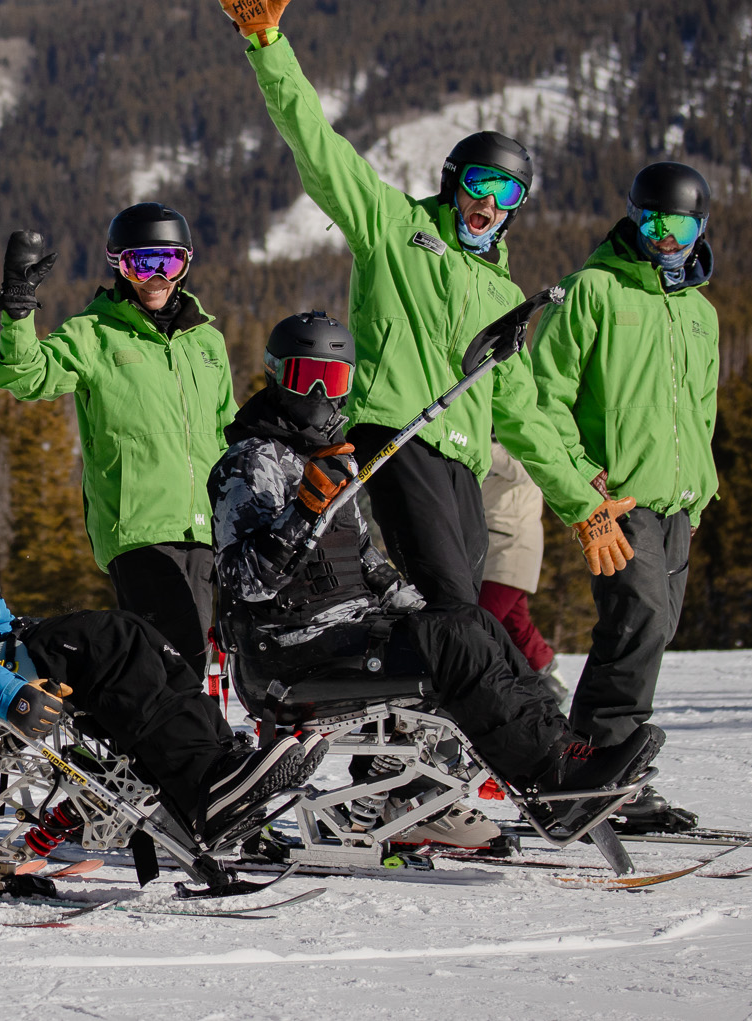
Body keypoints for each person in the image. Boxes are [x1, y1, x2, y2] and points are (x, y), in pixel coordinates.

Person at [211, 0, 633, 611]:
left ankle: (425, 711)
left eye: (506, 191)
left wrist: (582, 503)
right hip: (397, 435)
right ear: (453, 183)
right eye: (478, 184)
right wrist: (268, 45)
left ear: (516, 206)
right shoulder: (393, 226)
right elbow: (318, 146)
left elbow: (522, 412)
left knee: (456, 604)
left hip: (464, 462)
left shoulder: (502, 296)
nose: (487, 202)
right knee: (451, 602)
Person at [0, 341, 319, 849]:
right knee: (111, 641)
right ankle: (203, 788)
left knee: (145, 640)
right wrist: (7, 692)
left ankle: (221, 770)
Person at [208, 312, 665, 843]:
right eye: (304, 375)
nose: (317, 393)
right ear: (276, 375)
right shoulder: (247, 463)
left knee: (472, 623)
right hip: (286, 653)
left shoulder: (331, 460)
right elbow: (245, 584)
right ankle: (550, 777)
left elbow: (366, 562)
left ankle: (560, 754)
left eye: (332, 380)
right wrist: (304, 512)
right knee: (455, 640)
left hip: (346, 635)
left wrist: (423, 612)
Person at [531, 163, 719, 833]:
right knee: (636, 622)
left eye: (681, 226)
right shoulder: (593, 292)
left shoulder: (700, 313)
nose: (666, 238)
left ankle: (593, 765)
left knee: (654, 628)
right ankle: (602, 766)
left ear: (701, 229)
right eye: (654, 223)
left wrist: (700, 496)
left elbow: (700, 410)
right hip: (619, 499)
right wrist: (584, 479)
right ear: (633, 218)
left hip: (677, 502)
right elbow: (541, 394)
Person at [0, 205, 237, 678]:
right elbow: (25, 376)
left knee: (193, 660)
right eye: (141, 263)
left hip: (206, 528)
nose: (157, 277)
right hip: (138, 527)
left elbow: (229, 431)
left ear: (186, 264)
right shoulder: (93, 333)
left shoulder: (208, 344)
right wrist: (18, 308)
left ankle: (186, 745)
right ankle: (185, 749)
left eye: (170, 261)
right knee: (175, 657)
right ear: (118, 265)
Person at [479, 443, 572, 707]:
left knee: (481, 622)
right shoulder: (506, 451)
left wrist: (478, 438)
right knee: (515, 623)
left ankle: (487, 687)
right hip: (500, 544)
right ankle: (550, 685)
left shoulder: (524, 452)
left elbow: (516, 469)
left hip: (511, 547)